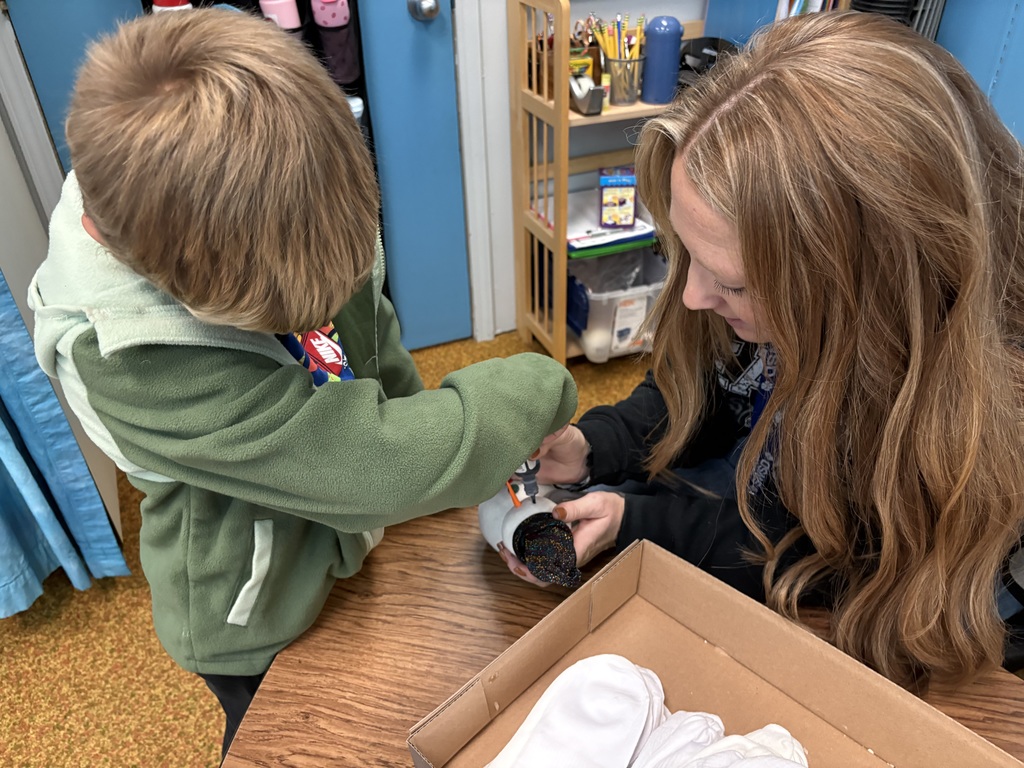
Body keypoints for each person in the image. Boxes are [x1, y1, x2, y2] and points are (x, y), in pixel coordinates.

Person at [27, 9, 577, 760]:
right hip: (249, 615)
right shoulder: (134, 358)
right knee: (283, 738)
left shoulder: (278, 195)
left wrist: (421, 413)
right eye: (282, 308)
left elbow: (370, 342)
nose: (322, 307)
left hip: (341, 537)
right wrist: (540, 387)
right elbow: (367, 461)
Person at [501, 10, 1024, 691]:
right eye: (687, 254)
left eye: (733, 282)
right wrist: (596, 446)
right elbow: (693, 390)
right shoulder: (756, 312)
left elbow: (820, 563)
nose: (690, 297)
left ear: (869, 300)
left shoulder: (975, 446)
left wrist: (642, 523)